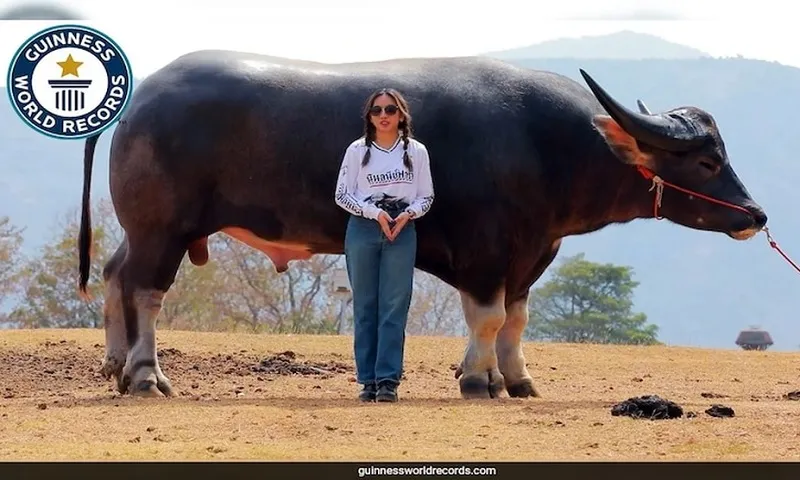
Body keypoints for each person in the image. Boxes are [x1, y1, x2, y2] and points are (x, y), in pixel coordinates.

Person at [334, 88, 435, 403]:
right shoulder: (356, 150)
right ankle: (367, 382)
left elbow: (426, 196)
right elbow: (342, 194)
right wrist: (374, 213)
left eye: (390, 110)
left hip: (402, 231)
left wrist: (407, 215)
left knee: (393, 307)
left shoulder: (416, 151)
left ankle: (388, 381)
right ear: (369, 116)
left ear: (401, 114)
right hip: (364, 229)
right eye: (376, 111)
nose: (383, 116)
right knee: (365, 307)